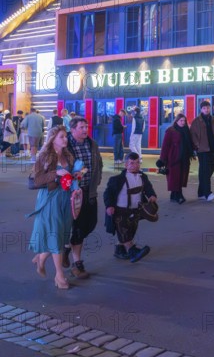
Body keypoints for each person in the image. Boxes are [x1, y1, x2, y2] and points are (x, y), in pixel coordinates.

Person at [28, 126, 84, 290]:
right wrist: (55, 174)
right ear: (52, 139)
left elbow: (71, 176)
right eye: (61, 137)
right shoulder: (45, 156)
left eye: (66, 136)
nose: (65, 139)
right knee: (55, 233)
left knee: (61, 235)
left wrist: (77, 176)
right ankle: (59, 275)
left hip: (66, 199)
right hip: (50, 199)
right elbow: (37, 180)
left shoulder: (68, 155)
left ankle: (41, 258)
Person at [64, 116, 103, 278]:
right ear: (72, 130)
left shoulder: (91, 144)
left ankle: (67, 248)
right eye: (81, 127)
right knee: (79, 228)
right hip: (73, 194)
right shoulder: (65, 146)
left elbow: (98, 164)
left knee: (90, 224)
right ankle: (77, 263)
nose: (85, 130)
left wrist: (97, 181)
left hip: (90, 191)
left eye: (86, 126)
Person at [104, 152, 157, 262]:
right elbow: (108, 193)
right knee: (124, 232)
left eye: (137, 163)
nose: (135, 165)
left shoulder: (143, 177)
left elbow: (148, 188)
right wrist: (109, 206)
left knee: (131, 230)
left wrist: (152, 195)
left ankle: (120, 250)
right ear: (126, 164)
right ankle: (133, 251)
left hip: (136, 210)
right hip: (120, 211)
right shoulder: (117, 180)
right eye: (132, 163)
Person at [157, 113, 194, 204]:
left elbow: (190, 143)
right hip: (174, 158)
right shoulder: (170, 131)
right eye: (181, 120)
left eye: (184, 121)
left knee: (182, 176)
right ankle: (178, 195)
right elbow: (165, 146)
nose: (183, 122)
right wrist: (162, 159)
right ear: (176, 121)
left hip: (184, 157)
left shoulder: (186, 130)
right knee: (175, 177)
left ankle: (174, 195)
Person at [190, 100, 214, 201]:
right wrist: (197, 145)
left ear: (211, 108)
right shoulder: (196, 121)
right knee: (205, 170)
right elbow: (192, 135)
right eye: (204, 108)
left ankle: (201, 193)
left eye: (208, 108)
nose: (206, 109)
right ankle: (208, 193)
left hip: (213, 149)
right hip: (203, 150)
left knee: (209, 169)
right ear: (201, 109)